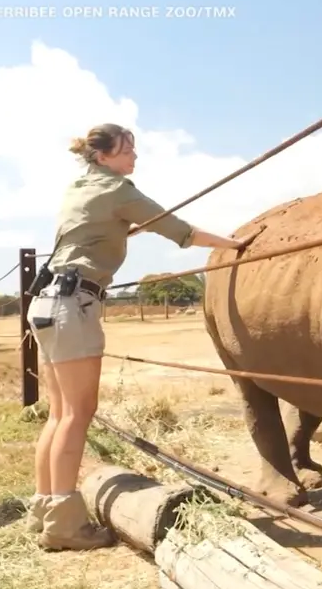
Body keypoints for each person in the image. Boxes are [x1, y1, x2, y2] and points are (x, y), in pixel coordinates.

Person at [23, 122, 260, 551]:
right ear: (103, 156)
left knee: (59, 414)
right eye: (127, 150)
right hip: (74, 304)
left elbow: (96, 229)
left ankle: (44, 511)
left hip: (46, 302)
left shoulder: (78, 186)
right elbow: (179, 230)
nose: (134, 158)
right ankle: (64, 526)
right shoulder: (117, 189)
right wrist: (236, 243)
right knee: (77, 415)